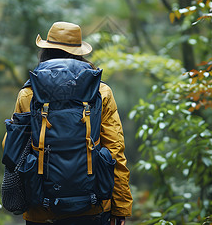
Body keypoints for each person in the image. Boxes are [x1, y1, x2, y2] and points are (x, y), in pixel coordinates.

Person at [11, 21, 133, 225]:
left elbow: (12, 150)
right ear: (79, 53)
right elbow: (115, 150)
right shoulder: (101, 93)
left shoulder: (28, 94)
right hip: (93, 206)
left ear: (46, 51)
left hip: (41, 209)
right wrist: (120, 207)